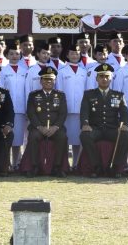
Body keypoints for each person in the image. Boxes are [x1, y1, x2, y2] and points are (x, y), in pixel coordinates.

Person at [79, 64, 128, 178]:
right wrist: (85, 124)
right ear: (96, 79)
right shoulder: (88, 94)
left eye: (107, 76)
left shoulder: (119, 95)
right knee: (85, 135)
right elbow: (84, 112)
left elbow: (124, 113)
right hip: (95, 128)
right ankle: (96, 167)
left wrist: (125, 124)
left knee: (126, 136)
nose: (104, 79)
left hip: (112, 129)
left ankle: (116, 167)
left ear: (111, 78)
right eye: (101, 76)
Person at [22, 67, 68, 177]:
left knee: (62, 137)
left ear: (54, 81)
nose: (48, 81)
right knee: (33, 137)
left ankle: (57, 167)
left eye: (51, 79)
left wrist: (55, 127)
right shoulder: (33, 95)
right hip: (38, 127)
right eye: (46, 79)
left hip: (55, 128)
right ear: (41, 81)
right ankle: (34, 167)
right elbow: (31, 113)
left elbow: (63, 113)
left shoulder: (60, 95)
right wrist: (40, 127)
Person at [55, 41, 87, 169]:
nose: (75, 55)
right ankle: (64, 164)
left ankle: (75, 163)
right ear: (67, 55)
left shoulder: (84, 71)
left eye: (77, 53)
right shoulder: (61, 71)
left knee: (77, 139)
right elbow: (59, 91)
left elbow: (86, 91)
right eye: (72, 53)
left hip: (80, 109)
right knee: (65, 138)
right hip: (66, 110)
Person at [0, 43, 29, 170]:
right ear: (7, 55)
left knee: (18, 139)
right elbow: (0, 90)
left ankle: (16, 163)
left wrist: (28, 107)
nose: (14, 56)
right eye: (11, 53)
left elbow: (27, 90)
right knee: (7, 136)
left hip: (21, 109)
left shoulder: (25, 71)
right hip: (7, 110)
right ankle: (6, 163)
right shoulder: (3, 70)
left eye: (17, 53)